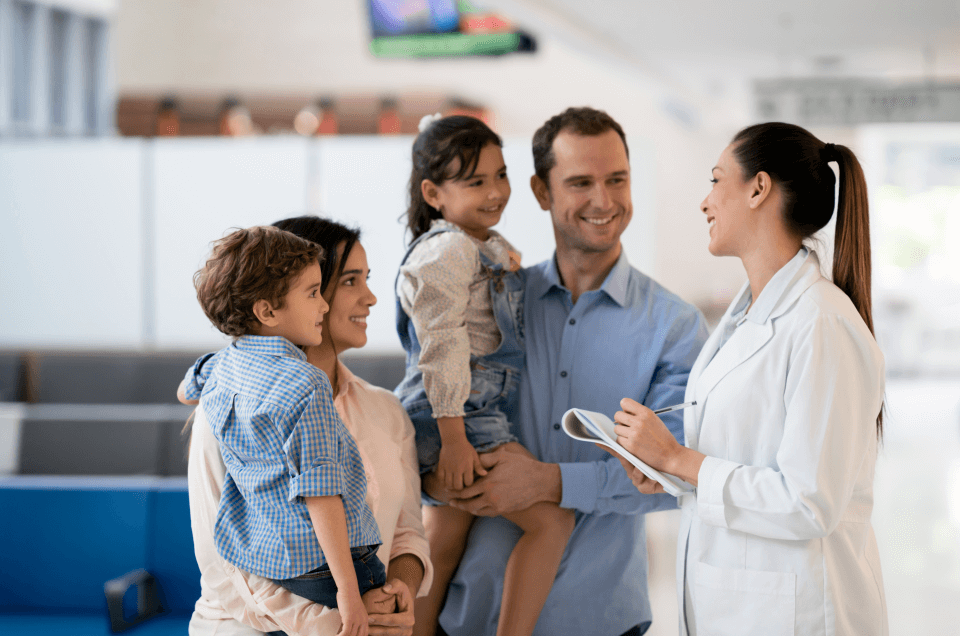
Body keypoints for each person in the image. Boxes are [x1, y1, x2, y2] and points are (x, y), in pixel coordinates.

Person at [426, 107, 709, 636]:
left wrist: (549, 482)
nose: (604, 201)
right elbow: (440, 420)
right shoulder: (491, 300)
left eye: (616, 180)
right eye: (580, 182)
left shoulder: (674, 327)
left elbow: (676, 478)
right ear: (540, 191)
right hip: (471, 618)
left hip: (599, 620)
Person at [612, 122, 887, 635]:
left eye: (717, 181)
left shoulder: (821, 323)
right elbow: (745, 453)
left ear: (759, 188)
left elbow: (809, 502)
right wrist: (673, 474)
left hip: (800, 613)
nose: (705, 202)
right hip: (738, 606)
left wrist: (680, 459)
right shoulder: (749, 316)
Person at [185, 218, 432, 636]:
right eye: (350, 281)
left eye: (367, 280)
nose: (371, 298)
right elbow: (223, 561)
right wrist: (338, 621)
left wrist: (396, 593)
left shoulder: (388, 411)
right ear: (272, 305)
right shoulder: (226, 405)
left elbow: (408, 534)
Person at [394, 114, 575, 636]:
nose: (496, 191)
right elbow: (442, 345)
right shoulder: (447, 250)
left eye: (500, 175)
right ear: (433, 192)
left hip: (463, 418)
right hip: (459, 420)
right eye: (476, 182)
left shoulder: (475, 245)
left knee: (442, 545)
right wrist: (453, 440)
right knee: (552, 521)